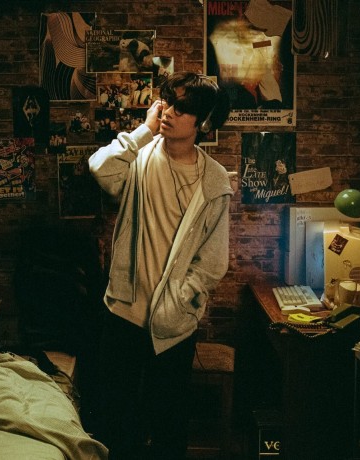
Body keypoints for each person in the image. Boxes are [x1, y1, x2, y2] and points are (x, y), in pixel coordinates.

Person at [88, 71, 232, 460]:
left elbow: (213, 261)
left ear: (203, 123)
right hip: (122, 311)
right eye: (168, 102)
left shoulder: (214, 181)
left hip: (173, 325)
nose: (168, 112)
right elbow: (100, 168)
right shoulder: (140, 157)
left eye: (182, 108)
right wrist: (142, 131)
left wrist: (182, 300)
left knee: (168, 423)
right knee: (116, 421)